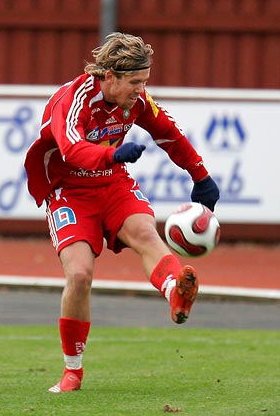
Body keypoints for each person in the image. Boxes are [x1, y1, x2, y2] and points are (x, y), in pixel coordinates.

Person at [23, 32, 219, 393]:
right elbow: (71, 149)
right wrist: (112, 154)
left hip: (113, 184)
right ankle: (72, 371)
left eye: (144, 81)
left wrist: (201, 175)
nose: (140, 90)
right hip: (69, 192)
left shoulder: (136, 100)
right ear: (109, 76)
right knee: (80, 275)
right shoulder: (74, 99)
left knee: (147, 234)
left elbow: (169, 133)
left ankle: (176, 290)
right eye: (135, 82)